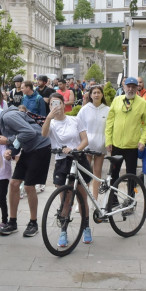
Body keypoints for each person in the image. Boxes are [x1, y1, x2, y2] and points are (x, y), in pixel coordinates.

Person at [0, 106, 52, 238]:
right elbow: (19, 141)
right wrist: (11, 151)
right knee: (14, 183)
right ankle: (12, 222)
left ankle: (33, 223)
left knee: (29, 185)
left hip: (41, 147)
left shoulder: (8, 117)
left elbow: (29, 133)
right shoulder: (3, 125)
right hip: (29, 149)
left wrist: (8, 141)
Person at [42, 92, 92, 245]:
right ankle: (63, 230)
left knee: (81, 197)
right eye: (52, 104)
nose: (56, 107)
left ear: (64, 104)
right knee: (65, 199)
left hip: (78, 159)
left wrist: (75, 149)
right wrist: (49, 117)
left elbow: (85, 140)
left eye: (58, 103)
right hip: (61, 163)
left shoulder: (74, 120)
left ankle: (86, 227)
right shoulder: (50, 123)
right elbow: (43, 135)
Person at [105, 77, 146, 184]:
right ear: (124, 87)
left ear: (137, 88)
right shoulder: (117, 100)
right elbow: (109, 122)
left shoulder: (143, 103)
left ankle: (130, 199)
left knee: (131, 175)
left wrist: (142, 140)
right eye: (128, 86)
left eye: (133, 87)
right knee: (114, 174)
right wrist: (108, 140)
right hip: (116, 144)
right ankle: (114, 200)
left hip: (132, 146)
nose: (130, 89)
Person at [76, 84, 110, 199]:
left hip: (101, 145)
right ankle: (83, 199)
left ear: (102, 94)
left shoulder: (107, 110)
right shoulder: (84, 109)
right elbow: (78, 126)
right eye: (94, 93)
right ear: (90, 95)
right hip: (87, 145)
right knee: (85, 174)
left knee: (97, 173)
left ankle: (94, 198)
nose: (96, 95)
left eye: (98, 93)